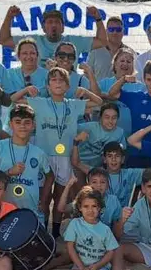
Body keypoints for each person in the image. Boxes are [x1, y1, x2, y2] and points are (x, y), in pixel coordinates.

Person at [12, 68, 103, 238]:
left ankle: (54, 233)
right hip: (43, 155)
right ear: (48, 85)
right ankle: (41, 230)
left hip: (65, 157)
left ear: (68, 85)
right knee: (44, 197)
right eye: (53, 80)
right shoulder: (40, 102)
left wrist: (85, 91)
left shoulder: (73, 104)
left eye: (62, 80)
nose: (58, 83)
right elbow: (12, 100)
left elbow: (98, 102)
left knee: (60, 195)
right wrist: (26, 89)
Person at [0, 104, 53, 220]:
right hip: (1, 212)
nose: (22, 126)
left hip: (30, 212)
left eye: (27, 122)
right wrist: (10, 172)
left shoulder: (38, 152)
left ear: (33, 125)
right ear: (11, 124)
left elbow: (50, 176)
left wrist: (44, 200)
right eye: (18, 122)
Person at [0, 6, 108, 61]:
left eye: (57, 22)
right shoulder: (33, 41)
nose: (53, 25)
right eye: (50, 22)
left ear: (63, 27)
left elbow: (102, 41)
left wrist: (98, 18)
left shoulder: (74, 41)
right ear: (43, 28)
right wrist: (9, 17)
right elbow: (3, 40)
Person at [64, 187, 120, 270]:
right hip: (81, 263)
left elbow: (111, 252)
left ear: (99, 208)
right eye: (86, 206)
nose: (90, 210)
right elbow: (70, 247)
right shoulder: (75, 224)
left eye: (94, 206)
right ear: (80, 207)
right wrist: (81, 267)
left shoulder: (105, 229)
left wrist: (97, 266)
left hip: (100, 265)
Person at [58, 169, 124, 229]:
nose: (98, 185)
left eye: (102, 182)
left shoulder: (113, 200)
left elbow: (117, 223)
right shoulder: (83, 198)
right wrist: (68, 186)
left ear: (107, 185)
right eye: (94, 182)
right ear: (88, 185)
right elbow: (61, 209)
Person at [72, 103, 127, 175]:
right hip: (78, 165)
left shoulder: (120, 133)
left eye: (114, 118)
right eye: (107, 117)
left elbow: (122, 155)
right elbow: (67, 128)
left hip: (99, 169)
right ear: (100, 117)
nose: (110, 121)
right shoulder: (88, 127)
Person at [97, 47, 139, 136]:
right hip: (106, 136)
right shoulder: (104, 83)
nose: (125, 64)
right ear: (115, 63)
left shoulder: (140, 86)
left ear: (133, 66)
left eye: (129, 62)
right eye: (122, 60)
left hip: (131, 136)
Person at [86, 15, 129, 80]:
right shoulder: (95, 51)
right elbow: (87, 76)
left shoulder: (130, 53)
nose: (115, 32)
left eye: (118, 29)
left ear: (123, 31)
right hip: (98, 90)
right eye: (111, 29)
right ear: (106, 31)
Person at [102, 142, 143, 206]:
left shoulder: (130, 174)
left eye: (117, 156)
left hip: (127, 214)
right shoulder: (99, 175)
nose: (113, 159)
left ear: (123, 159)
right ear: (104, 159)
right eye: (110, 156)